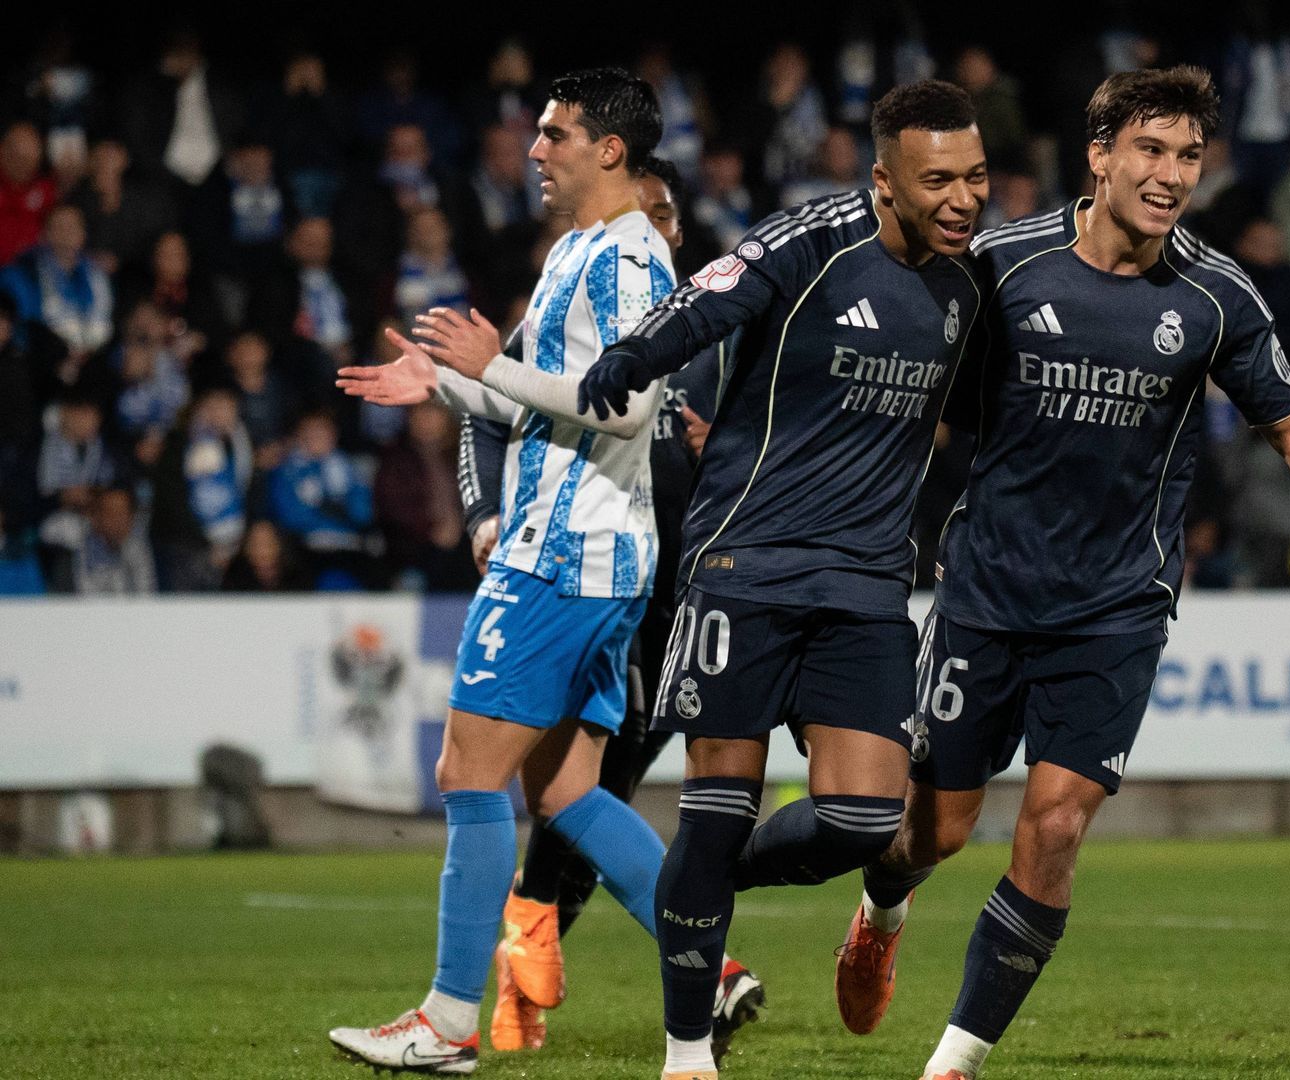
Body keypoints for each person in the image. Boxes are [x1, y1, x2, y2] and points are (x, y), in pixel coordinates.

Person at [835, 67, 1290, 1080]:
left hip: (1116, 610)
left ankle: (952, 1063)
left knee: (1053, 827)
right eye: (1150, 150)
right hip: (986, 597)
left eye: (1187, 155)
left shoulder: (1215, 295)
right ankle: (879, 911)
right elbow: (911, 378)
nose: (1171, 173)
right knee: (933, 832)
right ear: (1099, 156)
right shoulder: (1002, 266)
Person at [575, 79, 987, 1080]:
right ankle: (685, 1055)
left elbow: (985, 420)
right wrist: (636, 354)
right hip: (743, 566)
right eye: (939, 180)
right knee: (718, 802)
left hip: (865, 588)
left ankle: (706, 879)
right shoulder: (811, 242)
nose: (964, 197)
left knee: (862, 820)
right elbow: (708, 299)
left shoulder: (969, 290)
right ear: (884, 181)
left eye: (976, 176)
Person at [324, 67, 682, 1076]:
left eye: (556, 133)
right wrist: (447, 382)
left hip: (563, 555)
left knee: (466, 774)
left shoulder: (628, 261)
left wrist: (486, 368)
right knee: (568, 793)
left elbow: (628, 411)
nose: (535, 149)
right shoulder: (580, 251)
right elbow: (545, 402)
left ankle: (444, 1022)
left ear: (609, 148)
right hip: (593, 555)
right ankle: (710, 958)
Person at [460, 157, 762, 1058]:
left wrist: (727, 459)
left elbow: (757, 464)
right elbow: (485, 406)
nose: (660, 232)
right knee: (582, 793)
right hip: (610, 589)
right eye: (650, 214)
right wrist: (482, 515)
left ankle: (524, 967)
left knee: (587, 796)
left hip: (687, 607)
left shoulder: (713, 337)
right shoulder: (584, 304)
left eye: (670, 219)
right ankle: (550, 972)